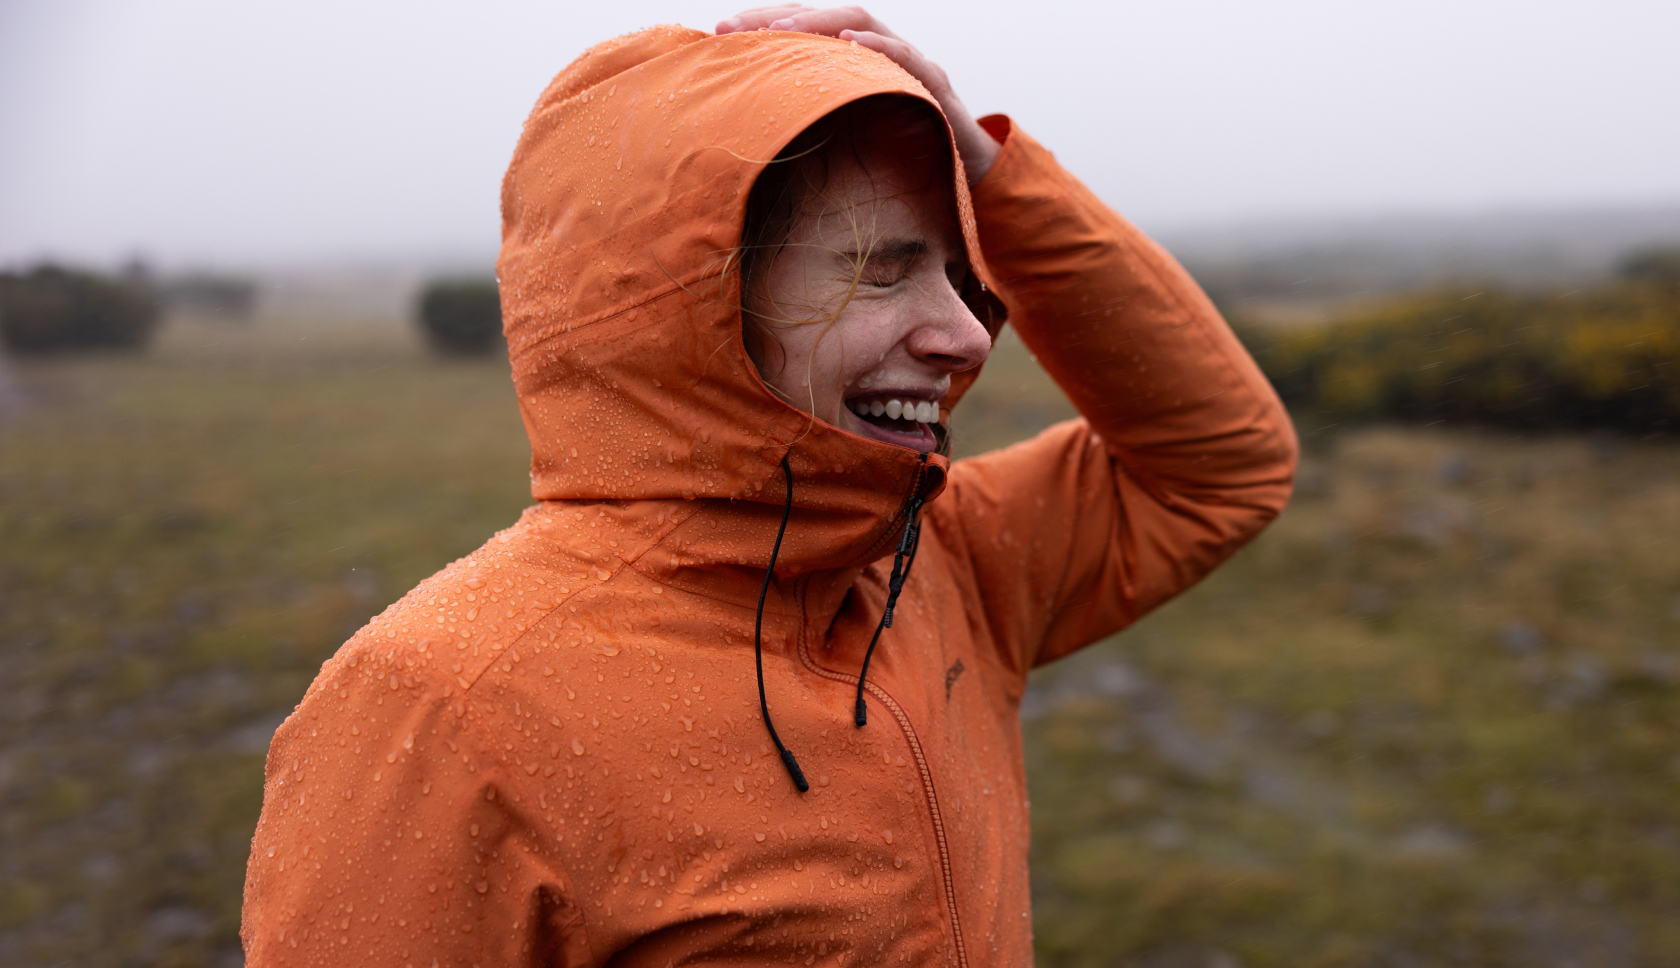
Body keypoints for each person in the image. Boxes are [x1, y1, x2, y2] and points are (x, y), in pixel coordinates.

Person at [240, 7, 1297, 965]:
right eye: (879, 269)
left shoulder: (938, 564)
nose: (970, 334)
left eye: (958, 271)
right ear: (684, 310)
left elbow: (1220, 466)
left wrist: (1000, 182)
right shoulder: (444, 704)